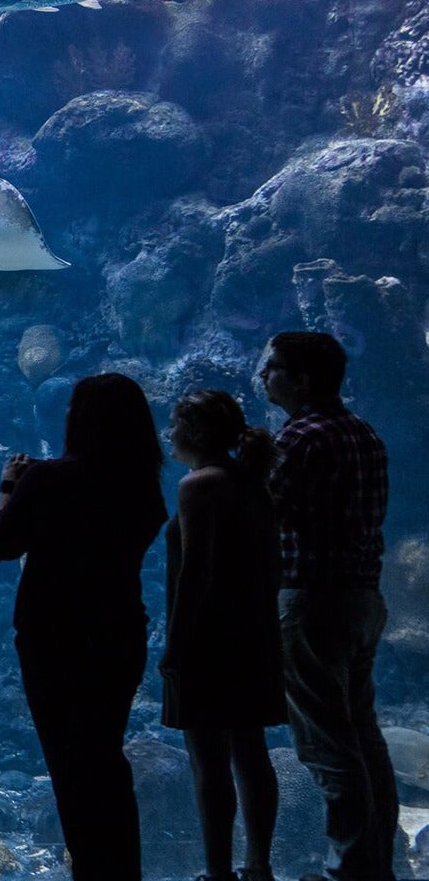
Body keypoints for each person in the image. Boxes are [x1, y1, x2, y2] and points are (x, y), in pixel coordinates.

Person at [0, 372, 166, 881]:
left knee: (69, 766)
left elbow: (1, 543)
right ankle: (122, 871)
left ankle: (91, 869)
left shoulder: (47, 478)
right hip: (119, 634)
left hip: (54, 640)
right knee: (105, 759)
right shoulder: (143, 485)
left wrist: (8, 487)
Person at [258, 331, 397, 881]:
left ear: (301, 381)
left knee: (327, 745)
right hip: (363, 597)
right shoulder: (365, 433)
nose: (264, 376)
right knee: (363, 736)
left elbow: (261, 509)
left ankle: (349, 871)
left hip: (312, 599)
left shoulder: (301, 438)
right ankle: (377, 864)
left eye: (273, 369)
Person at [159, 389, 283, 881]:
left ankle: (218, 871)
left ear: (194, 433)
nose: (168, 435)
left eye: (174, 424)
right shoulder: (254, 483)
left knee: (209, 761)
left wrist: (176, 642)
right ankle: (259, 866)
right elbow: (272, 563)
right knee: (251, 752)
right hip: (253, 632)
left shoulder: (199, 485)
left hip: (209, 639)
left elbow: (196, 572)